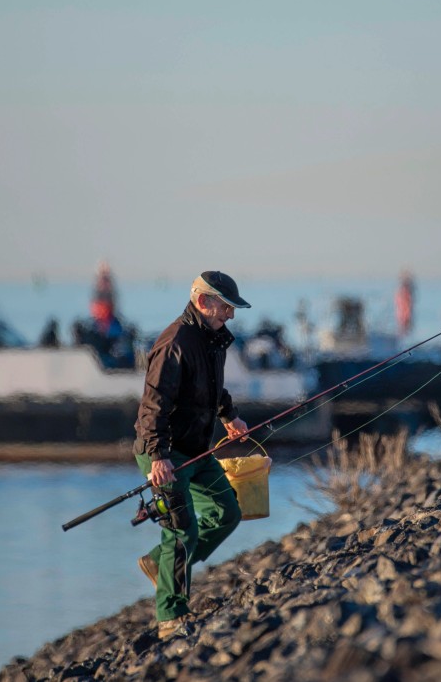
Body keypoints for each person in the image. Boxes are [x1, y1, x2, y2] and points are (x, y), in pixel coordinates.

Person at [133, 270, 251, 639]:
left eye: (232, 309)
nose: (230, 315)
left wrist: (228, 415)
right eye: (226, 308)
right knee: (181, 532)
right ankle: (171, 618)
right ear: (204, 302)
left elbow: (212, 388)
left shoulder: (211, 339)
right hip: (164, 453)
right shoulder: (175, 342)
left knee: (228, 513)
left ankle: (159, 564)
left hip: (197, 450)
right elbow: (152, 405)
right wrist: (158, 457)